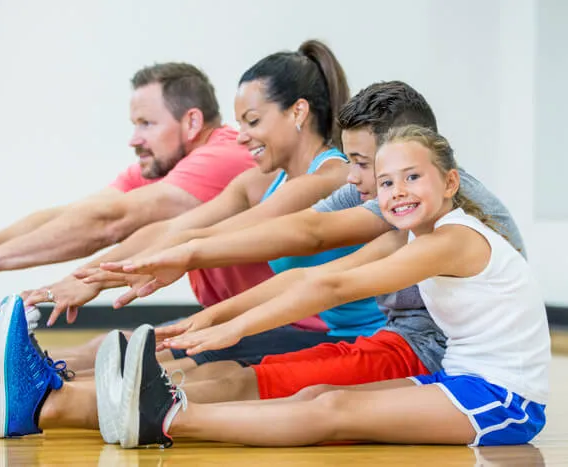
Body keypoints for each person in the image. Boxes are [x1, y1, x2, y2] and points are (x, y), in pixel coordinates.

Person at [106, 125, 551, 448]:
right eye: (386, 182)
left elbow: (337, 285)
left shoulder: (454, 238)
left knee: (332, 411)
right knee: (317, 395)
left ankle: (166, 417)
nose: (398, 192)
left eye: (413, 177)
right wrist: (208, 319)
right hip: (459, 379)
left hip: (505, 400)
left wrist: (235, 331)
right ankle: (168, 409)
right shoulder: (411, 236)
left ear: (450, 182)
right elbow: (308, 277)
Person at [0, 61, 261, 407]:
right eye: (133, 125)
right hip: (234, 319)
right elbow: (75, 215)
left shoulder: (224, 158)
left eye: (146, 124)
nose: (133, 139)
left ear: (192, 122)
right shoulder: (164, 168)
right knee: (108, 346)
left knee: (128, 355)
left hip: (278, 325)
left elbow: (112, 222)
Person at [23, 40, 383, 375]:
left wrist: (118, 275)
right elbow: (174, 230)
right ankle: (5, 378)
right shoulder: (263, 181)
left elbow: (216, 236)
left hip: (337, 338)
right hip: (281, 323)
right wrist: (83, 279)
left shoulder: (330, 178)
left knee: (158, 360)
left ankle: (37, 390)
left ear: (297, 112)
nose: (242, 136)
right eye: (240, 123)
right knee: (122, 344)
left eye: (253, 121)